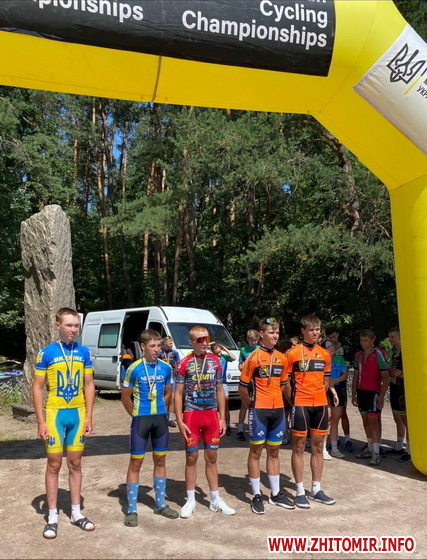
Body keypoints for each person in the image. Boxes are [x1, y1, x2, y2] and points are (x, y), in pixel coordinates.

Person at [33, 307, 95, 539]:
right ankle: (52, 516)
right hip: (55, 414)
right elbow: (37, 387)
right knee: (54, 464)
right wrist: (41, 421)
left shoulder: (84, 352)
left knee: (75, 463)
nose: (73, 329)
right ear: (58, 326)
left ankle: (76, 513)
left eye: (76, 325)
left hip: (77, 413)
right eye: (69, 325)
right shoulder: (46, 353)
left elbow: (89, 384)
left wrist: (89, 416)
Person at [174, 325, 235, 518]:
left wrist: (223, 418)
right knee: (191, 457)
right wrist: (179, 420)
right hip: (191, 414)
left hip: (211, 414)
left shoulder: (215, 361)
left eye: (207, 339)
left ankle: (215, 499)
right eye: (200, 340)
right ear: (191, 342)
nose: (205, 343)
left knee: (212, 457)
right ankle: (190, 499)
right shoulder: (184, 363)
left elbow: (220, 390)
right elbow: (177, 393)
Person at [121, 329, 179, 526]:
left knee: (160, 460)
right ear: (143, 346)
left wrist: (162, 409)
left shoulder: (166, 368)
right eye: (152, 346)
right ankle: (131, 509)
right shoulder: (134, 368)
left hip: (160, 419)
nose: (156, 349)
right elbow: (125, 397)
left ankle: (160, 504)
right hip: (141, 420)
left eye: (158, 346)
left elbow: (169, 393)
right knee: (136, 462)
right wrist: (136, 415)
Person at [239, 318, 295, 514]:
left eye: (277, 332)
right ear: (261, 335)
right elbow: (242, 388)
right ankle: (256, 494)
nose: (275, 336)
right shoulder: (253, 357)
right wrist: (251, 405)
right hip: (259, 411)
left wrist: (292, 404)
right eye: (271, 332)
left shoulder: (282, 358)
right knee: (255, 451)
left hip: (278, 410)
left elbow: (284, 385)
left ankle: (276, 493)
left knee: (274, 452)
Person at [286, 314, 338, 509]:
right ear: (303, 331)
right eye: (311, 330)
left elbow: (326, 380)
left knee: (318, 447)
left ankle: (316, 489)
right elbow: (286, 383)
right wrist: (293, 401)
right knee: (298, 447)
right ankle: (300, 491)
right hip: (300, 405)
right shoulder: (292, 353)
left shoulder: (325, 354)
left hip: (320, 406)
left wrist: (321, 398)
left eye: (317, 329)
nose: (315, 333)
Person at [352, 329, 389, 466]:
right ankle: (369, 448)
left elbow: (386, 377)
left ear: (373, 340)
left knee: (373, 421)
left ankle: (376, 453)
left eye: (366, 340)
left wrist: (381, 396)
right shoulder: (358, 355)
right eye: (361, 340)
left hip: (374, 392)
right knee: (365, 420)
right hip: (361, 392)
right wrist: (354, 393)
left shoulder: (379, 354)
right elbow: (356, 375)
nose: (363, 343)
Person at [325, 327, 354, 452]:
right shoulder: (324, 353)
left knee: (343, 413)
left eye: (334, 336)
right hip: (328, 387)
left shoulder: (345, 349)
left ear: (338, 334)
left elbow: (345, 371)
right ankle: (332, 440)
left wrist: (336, 380)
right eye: (330, 338)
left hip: (340, 386)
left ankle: (347, 439)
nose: (333, 339)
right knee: (328, 416)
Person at [388, 327, 411, 462]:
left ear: (400, 337)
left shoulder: (405, 351)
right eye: (390, 337)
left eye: (393, 337)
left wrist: (392, 371)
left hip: (403, 388)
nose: (390, 340)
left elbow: (398, 372)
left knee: (406, 419)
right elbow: (392, 370)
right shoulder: (394, 351)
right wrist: (392, 371)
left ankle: (409, 450)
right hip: (394, 386)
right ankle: (398, 446)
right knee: (397, 417)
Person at [322, 338, 348, 459]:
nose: (331, 348)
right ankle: (323, 449)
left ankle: (334, 449)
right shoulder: (322, 361)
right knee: (326, 419)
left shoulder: (340, 359)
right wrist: (330, 384)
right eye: (328, 347)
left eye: (332, 346)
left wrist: (335, 380)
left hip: (338, 390)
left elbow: (345, 374)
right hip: (325, 391)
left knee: (335, 421)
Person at [237, 329, 260, 441]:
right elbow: (240, 364)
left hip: (257, 380)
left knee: (257, 404)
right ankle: (240, 429)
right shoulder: (243, 350)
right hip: (246, 380)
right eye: (251, 340)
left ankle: (255, 427)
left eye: (255, 340)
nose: (253, 342)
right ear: (247, 339)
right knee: (244, 404)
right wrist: (242, 368)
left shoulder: (260, 349)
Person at [210, 342, 237, 436]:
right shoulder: (210, 357)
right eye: (216, 352)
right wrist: (208, 345)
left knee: (225, 405)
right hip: (213, 383)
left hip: (223, 383)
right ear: (213, 352)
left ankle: (228, 425)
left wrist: (225, 349)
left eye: (219, 352)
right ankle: (215, 425)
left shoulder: (224, 357)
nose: (219, 354)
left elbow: (234, 358)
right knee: (214, 406)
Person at [158, 336, 181, 428]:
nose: (171, 344)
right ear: (164, 343)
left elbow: (178, 363)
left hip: (173, 377)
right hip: (162, 377)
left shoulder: (175, 352)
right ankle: (161, 416)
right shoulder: (160, 353)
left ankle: (170, 418)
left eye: (172, 342)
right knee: (162, 396)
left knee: (172, 397)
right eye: (169, 342)